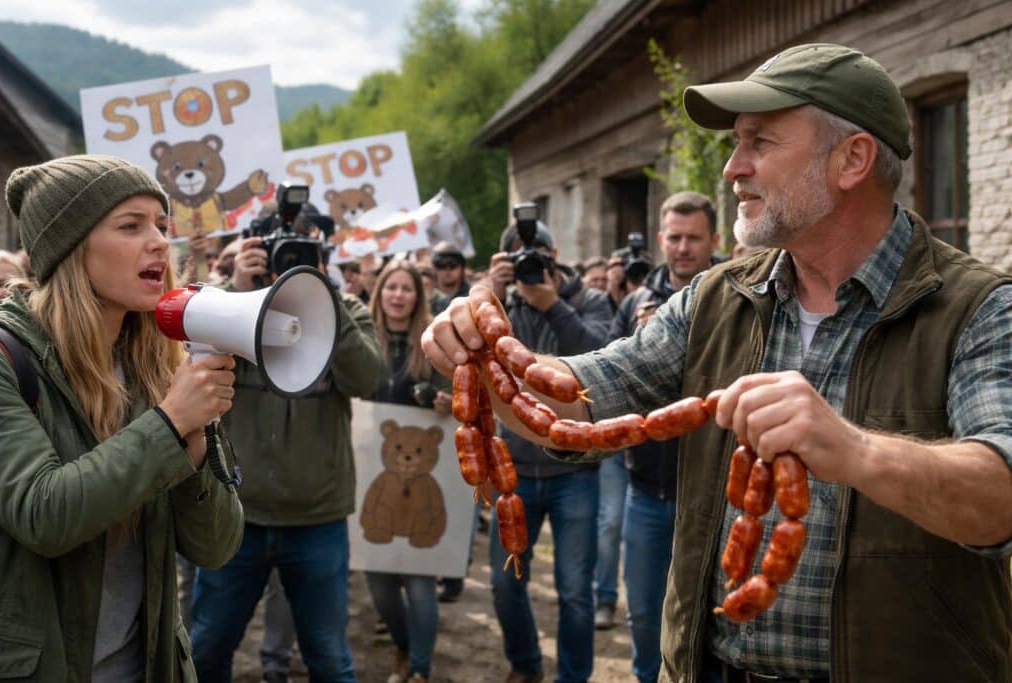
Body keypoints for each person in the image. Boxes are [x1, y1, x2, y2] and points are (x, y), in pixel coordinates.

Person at [422, 43, 1012, 683]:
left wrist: (855, 451)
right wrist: (479, 354)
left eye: (760, 141)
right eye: (736, 143)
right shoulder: (715, 299)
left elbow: (1002, 497)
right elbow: (583, 403)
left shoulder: (979, 308)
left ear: (852, 159)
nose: (733, 167)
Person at [0, 154, 244, 681]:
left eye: (161, 226)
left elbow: (215, 547)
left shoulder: (158, 364)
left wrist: (197, 444)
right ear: (70, 247)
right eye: (131, 226)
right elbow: (43, 514)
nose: (159, 243)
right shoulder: (0, 359)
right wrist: (170, 423)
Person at [189, 233, 386, 682]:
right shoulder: (232, 303)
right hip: (238, 517)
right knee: (207, 648)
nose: (291, 261)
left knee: (329, 659)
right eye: (283, 251)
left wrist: (325, 302)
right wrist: (235, 293)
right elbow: (190, 362)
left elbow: (367, 378)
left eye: (305, 254)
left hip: (317, 520)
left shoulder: (347, 310)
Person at [483, 219, 613, 683]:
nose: (530, 262)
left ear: (554, 255)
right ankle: (525, 665)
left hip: (574, 469)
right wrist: (491, 294)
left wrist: (553, 306)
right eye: (519, 255)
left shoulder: (588, 300)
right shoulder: (500, 305)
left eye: (536, 252)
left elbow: (602, 360)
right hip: (514, 469)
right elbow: (474, 353)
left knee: (575, 591)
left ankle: (572, 678)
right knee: (504, 583)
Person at [605, 191, 722, 682]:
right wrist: (641, 343)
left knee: (712, 614)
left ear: (714, 239)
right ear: (660, 239)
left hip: (714, 493)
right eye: (674, 237)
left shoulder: (736, 300)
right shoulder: (636, 302)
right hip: (648, 488)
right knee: (644, 609)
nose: (683, 247)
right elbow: (606, 379)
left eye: (694, 237)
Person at [366, 258, 453, 683]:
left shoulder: (435, 343)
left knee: (420, 578)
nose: (398, 295)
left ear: (418, 296)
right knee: (379, 581)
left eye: (406, 288)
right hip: (371, 470)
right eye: (391, 287)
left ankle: (420, 668)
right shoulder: (361, 339)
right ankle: (403, 645)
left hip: (424, 473)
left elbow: (458, 395)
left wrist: (447, 401)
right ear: (379, 293)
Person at [429, 241, 470, 314]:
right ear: (434, 269)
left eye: (453, 265)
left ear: (462, 268)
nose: (447, 269)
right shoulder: (427, 298)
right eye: (441, 265)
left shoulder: (471, 296)